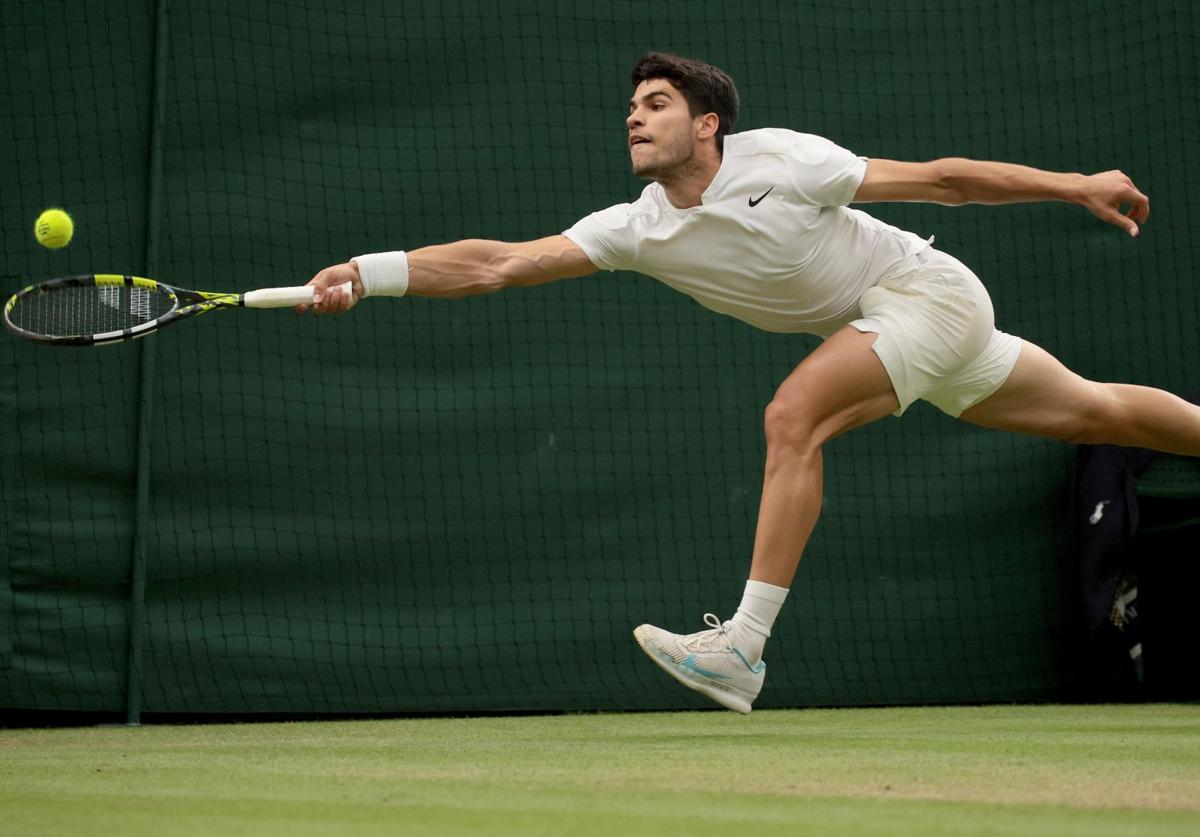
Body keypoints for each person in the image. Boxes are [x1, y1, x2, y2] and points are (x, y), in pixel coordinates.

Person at [302, 52, 1186, 715]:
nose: (634, 120)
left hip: (926, 295)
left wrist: (1077, 185)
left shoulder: (786, 161)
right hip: (915, 329)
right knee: (1099, 411)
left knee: (792, 414)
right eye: (631, 109)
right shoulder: (637, 226)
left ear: (709, 124)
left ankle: (742, 648)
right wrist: (369, 270)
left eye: (656, 105)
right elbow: (498, 264)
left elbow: (944, 183)